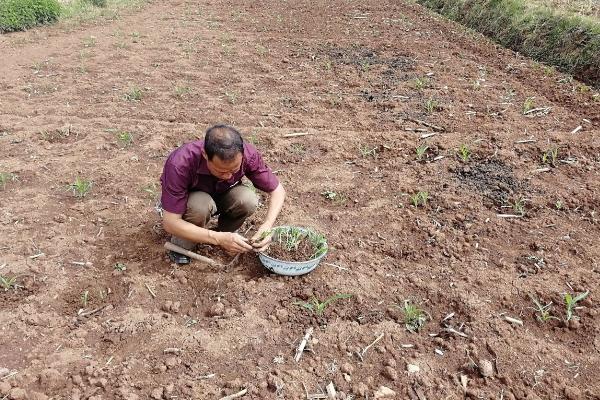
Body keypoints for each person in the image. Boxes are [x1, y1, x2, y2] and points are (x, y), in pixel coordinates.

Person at [160, 124, 286, 264]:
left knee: (247, 199)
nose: (227, 176)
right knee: (200, 206)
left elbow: (278, 191)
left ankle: (228, 235)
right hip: (193, 203)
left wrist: (267, 225)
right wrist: (216, 238)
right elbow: (170, 222)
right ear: (205, 155)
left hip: (223, 195)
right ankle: (183, 244)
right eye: (221, 171)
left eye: (234, 170)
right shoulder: (180, 164)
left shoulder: (248, 155)